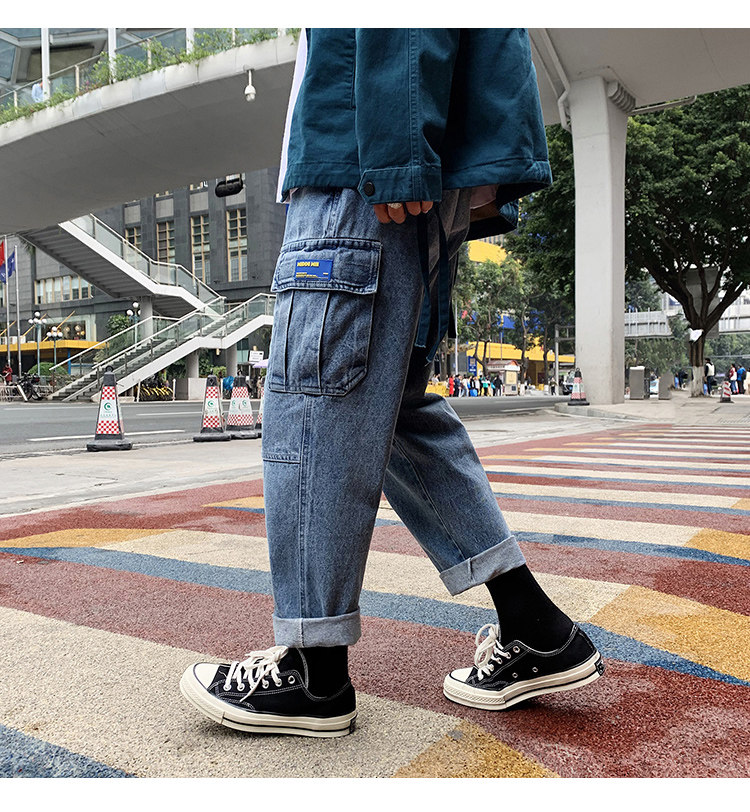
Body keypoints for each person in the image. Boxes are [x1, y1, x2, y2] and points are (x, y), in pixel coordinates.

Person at [180, 28, 604, 738]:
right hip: (400, 167)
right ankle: (535, 626)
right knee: (393, 406)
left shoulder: (383, 149)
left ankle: (314, 671)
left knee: (313, 404)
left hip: (360, 170)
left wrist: (397, 145)